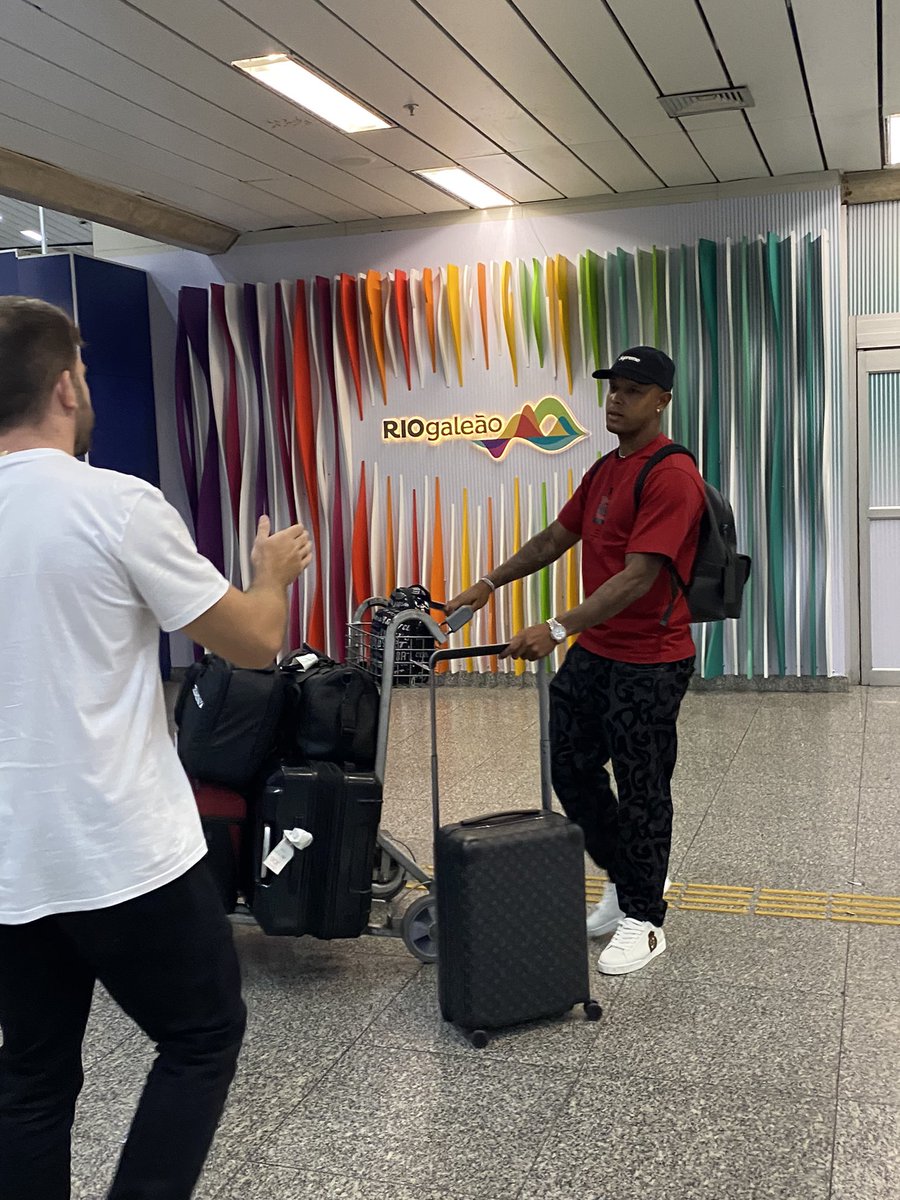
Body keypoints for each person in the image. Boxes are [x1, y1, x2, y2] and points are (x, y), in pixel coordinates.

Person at [0, 296, 312, 1200]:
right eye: (84, 372)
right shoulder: (117, 505)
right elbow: (253, 643)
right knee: (202, 1035)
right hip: (121, 849)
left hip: (12, 862)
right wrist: (271, 576)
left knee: (32, 1077)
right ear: (66, 387)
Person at [448, 346, 705, 976]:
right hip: (598, 652)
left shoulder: (672, 475)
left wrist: (558, 627)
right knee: (570, 766)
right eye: (614, 387)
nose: (617, 399)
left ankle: (645, 918)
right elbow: (553, 539)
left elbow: (640, 576)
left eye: (633, 390)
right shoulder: (605, 469)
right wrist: (488, 582)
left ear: (662, 401)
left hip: (650, 660)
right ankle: (625, 878)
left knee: (643, 788)